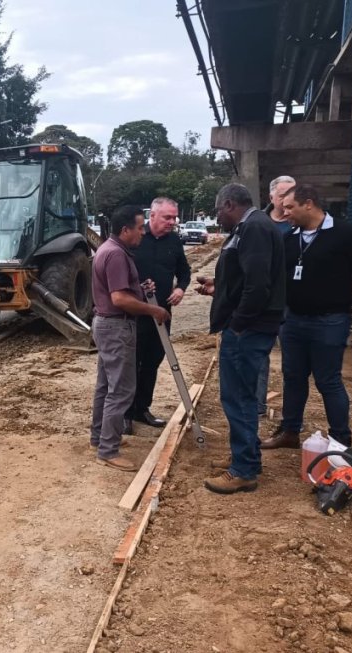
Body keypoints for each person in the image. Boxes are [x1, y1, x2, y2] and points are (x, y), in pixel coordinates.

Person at [261, 184, 352, 451]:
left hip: (330, 322)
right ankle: (289, 432)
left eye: (289, 207)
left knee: (328, 380)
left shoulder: (346, 235)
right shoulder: (290, 238)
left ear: (308, 204)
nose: (284, 214)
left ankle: (340, 439)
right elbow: (272, 277)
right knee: (293, 377)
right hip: (294, 321)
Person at [195, 183, 285, 494]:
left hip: (248, 330)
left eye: (218, 210)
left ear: (230, 204)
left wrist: (238, 324)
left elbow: (258, 286)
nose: (217, 216)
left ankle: (244, 470)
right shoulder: (251, 227)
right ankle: (245, 458)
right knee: (239, 396)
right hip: (249, 326)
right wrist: (219, 285)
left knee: (239, 398)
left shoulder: (254, 228)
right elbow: (246, 277)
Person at [91, 205, 170, 472]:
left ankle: (99, 437)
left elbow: (123, 290)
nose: (142, 232)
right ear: (125, 230)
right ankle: (108, 450)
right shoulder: (116, 255)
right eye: (138, 228)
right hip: (116, 327)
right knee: (121, 390)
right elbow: (119, 299)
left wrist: (140, 289)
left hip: (106, 325)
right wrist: (153, 309)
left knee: (105, 385)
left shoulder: (110, 249)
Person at [129, 197, 191, 428]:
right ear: (152, 216)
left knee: (153, 361)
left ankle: (142, 409)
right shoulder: (136, 238)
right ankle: (126, 413)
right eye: (168, 217)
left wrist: (180, 289)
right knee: (132, 362)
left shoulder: (174, 241)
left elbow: (185, 271)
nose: (173, 222)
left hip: (162, 314)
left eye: (174, 217)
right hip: (135, 313)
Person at [255, 175, 296, 416]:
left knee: (293, 363)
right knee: (260, 356)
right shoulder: (258, 223)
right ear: (271, 197)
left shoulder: (302, 224)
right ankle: (258, 407)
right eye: (282, 195)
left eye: (293, 193)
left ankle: (291, 417)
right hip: (265, 300)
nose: (288, 199)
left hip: (293, 303)